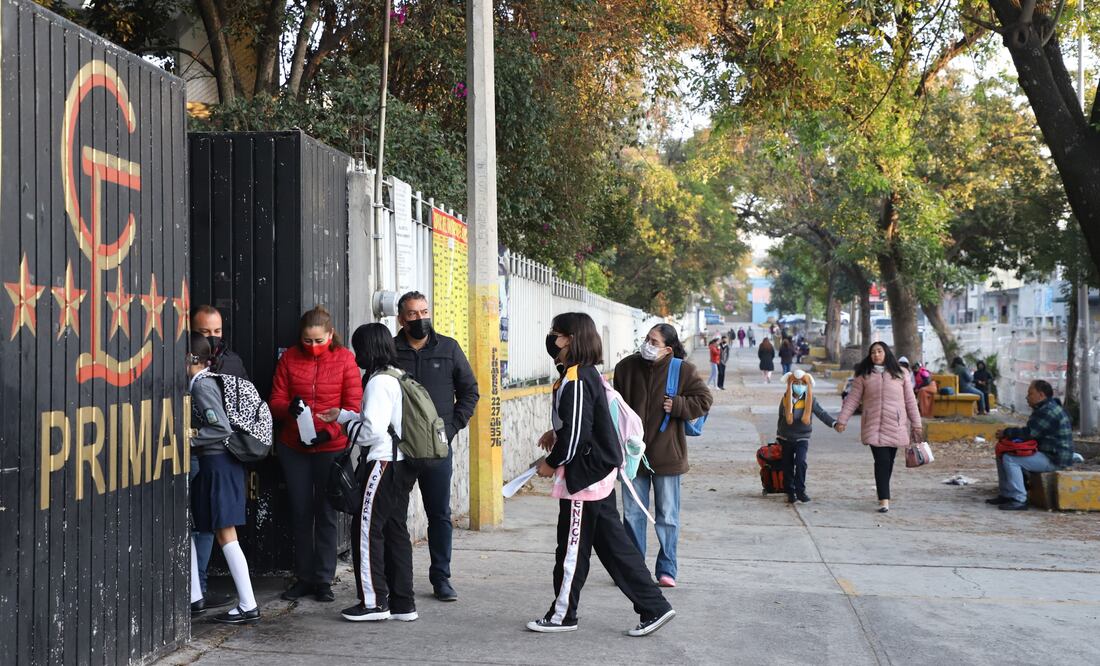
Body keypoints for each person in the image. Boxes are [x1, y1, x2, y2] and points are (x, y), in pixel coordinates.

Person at [530, 313, 676, 636]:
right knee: (613, 547)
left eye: (556, 334)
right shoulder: (578, 375)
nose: (552, 339)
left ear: (568, 339)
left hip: (585, 478)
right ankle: (655, 606)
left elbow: (578, 435)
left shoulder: (578, 378)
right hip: (594, 475)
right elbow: (580, 424)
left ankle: (562, 615)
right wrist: (555, 435)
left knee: (570, 550)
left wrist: (552, 461)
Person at [318, 324, 420, 622]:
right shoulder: (397, 376)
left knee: (365, 530)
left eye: (357, 347)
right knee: (395, 531)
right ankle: (403, 603)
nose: (355, 353)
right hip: (402, 463)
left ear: (368, 348)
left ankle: (374, 603)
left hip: (383, 463)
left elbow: (372, 432)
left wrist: (347, 425)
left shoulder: (378, 382)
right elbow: (382, 422)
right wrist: (345, 416)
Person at [269, 306, 363, 603]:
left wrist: (330, 431)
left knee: (326, 512)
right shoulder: (289, 358)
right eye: (307, 341)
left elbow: (353, 406)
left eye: (319, 341)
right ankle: (303, 576)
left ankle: (324, 578)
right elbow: (275, 399)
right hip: (294, 445)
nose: (313, 347)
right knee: (300, 511)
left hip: (330, 446)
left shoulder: (345, 359)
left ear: (330, 335)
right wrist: (289, 408)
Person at [393, 291, 479, 601]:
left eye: (424, 311)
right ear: (401, 319)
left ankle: (441, 578)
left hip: (437, 450)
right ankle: (398, 580)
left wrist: (452, 428)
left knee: (439, 514)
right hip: (399, 449)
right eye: (413, 314)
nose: (420, 319)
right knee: (395, 516)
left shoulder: (449, 348)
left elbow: (470, 392)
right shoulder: (391, 350)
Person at [613, 323, 712, 588]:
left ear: (668, 349)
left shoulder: (682, 370)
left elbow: (704, 400)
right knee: (633, 514)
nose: (647, 345)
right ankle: (635, 569)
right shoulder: (626, 368)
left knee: (667, 516)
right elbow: (615, 408)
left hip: (668, 455)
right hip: (633, 457)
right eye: (647, 339)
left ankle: (667, 569)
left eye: (654, 342)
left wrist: (678, 404)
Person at [187, 333, 261, 624]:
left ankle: (248, 603)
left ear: (192, 360)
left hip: (218, 464)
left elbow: (220, 428)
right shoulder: (207, 381)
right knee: (209, 529)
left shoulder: (203, 386)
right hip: (219, 465)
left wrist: (189, 440)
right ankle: (195, 595)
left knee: (226, 534)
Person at [836, 341, 922, 513]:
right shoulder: (864, 375)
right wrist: (842, 420)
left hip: (896, 424)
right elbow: (853, 399)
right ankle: (884, 499)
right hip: (873, 425)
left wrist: (917, 425)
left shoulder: (901, 373)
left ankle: (883, 491)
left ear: (886, 353)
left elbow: (910, 401)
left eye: (879, 351)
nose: (876, 355)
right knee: (881, 461)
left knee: (888, 462)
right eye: (873, 352)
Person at [987, 380, 1074, 511]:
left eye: (1030, 393)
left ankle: (1019, 499)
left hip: (1054, 459)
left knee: (1010, 458)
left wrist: (1007, 432)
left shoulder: (1048, 411)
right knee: (1003, 452)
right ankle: (1007, 494)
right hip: (1047, 453)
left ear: (1041, 395)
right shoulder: (1045, 407)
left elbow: (1030, 433)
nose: (1027, 397)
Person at [776, 370, 839, 504]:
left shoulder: (810, 400)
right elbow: (781, 417)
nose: (799, 386)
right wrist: (778, 435)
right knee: (787, 465)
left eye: (802, 383)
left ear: (807, 384)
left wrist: (833, 423)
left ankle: (800, 490)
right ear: (791, 383)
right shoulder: (785, 399)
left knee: (801, 462)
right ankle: (790, 491)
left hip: (802, 438)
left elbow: (821, 413)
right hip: (786, 437)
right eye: (796, 383)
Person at [191, 304, 248, 377]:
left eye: (217, 331)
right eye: (205, 331)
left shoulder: (233, 361)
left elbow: (247, 387)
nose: (212, 335)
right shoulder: (186, 360)